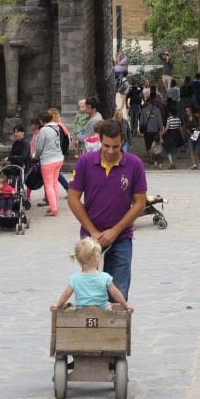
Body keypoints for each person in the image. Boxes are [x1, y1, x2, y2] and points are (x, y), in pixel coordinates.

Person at [67, 118, 147, 300]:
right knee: (89, 292)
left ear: (123, 143)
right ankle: (92, 328)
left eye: (116, 147)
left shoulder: (134, 165)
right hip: (90, 239)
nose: (110, 151)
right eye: (106, 146)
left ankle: (116, 328)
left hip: (121, 237)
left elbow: (140, 203)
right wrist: (93, 231)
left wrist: (115, 231)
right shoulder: (86, 162)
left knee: (119, 293)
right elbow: (73, 199)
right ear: (99, 140)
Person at [51, 237, 133, 312]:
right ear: (97, 258)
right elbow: (115, 293)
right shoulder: (105, 277)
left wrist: (58, 305)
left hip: (81, 312)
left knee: (72, 308)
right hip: (102, 311)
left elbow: (66, 294)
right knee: (109, 305)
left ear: (79, 260)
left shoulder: (75, 278)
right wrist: (125, 305)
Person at [34, 110, 64, 216]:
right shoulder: (56, 128)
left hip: (48, 160)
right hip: (58, 158)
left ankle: (53, 208)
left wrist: (36, 157)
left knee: (48, 185)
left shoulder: (44, 130)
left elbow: (39, 147)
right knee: (54, 184)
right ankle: (54, 205)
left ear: (42, 120)